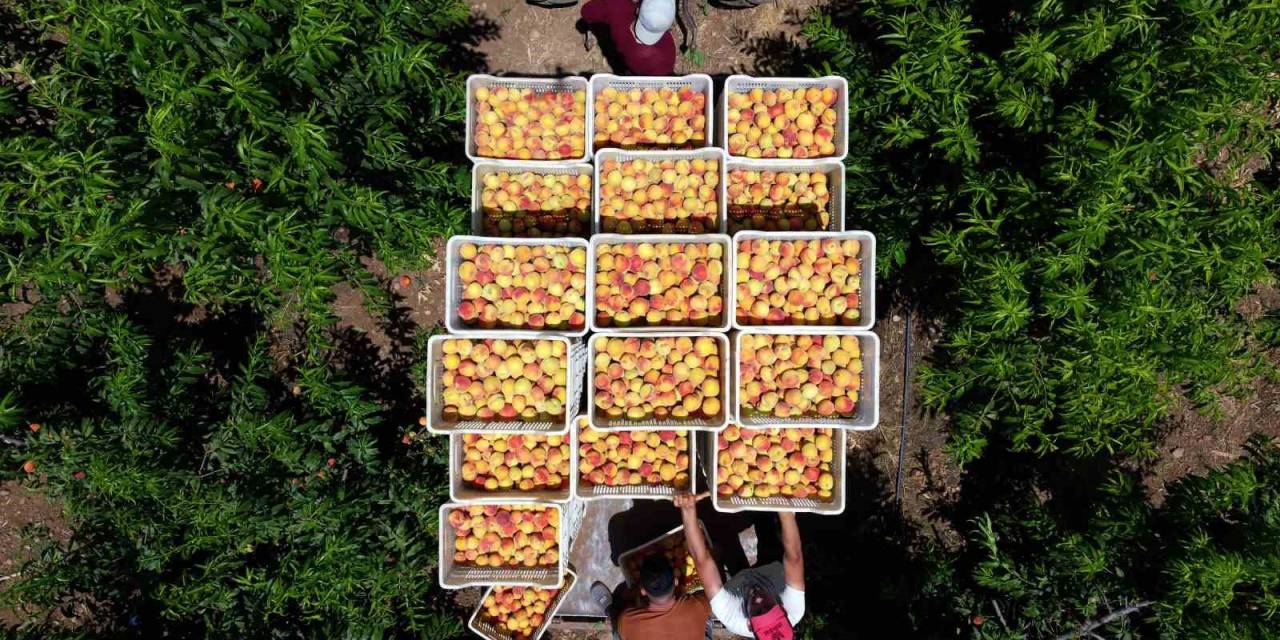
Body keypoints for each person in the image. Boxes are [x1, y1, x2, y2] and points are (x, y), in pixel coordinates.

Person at [676, 493, 806, 638]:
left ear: (750, 625)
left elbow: (701, 560)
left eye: (757, 611)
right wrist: (785, 509)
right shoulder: (794, 607)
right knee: (767, 528)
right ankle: (759, 504)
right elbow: (794, 556)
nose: (759, 600)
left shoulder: (730, 615)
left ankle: (715, 504)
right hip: (772, 568)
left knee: (724, 542)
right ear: (783, 610)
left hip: (739, 582)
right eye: (768, 606)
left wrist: (688, 510)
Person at [590, 553, 711, 640]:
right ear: (676, 582)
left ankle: (611, 610)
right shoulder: (698, 606)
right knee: (708, 610)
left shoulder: (628, 620)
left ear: (642, 591)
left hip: (627, 621)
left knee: (618, 628)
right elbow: (712, 593)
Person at [580, 0, 677, 75]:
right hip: (643, 74)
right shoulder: (668, 52)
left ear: (638, 10)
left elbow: (586, 11)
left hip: (629, 58)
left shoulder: (618, 8)